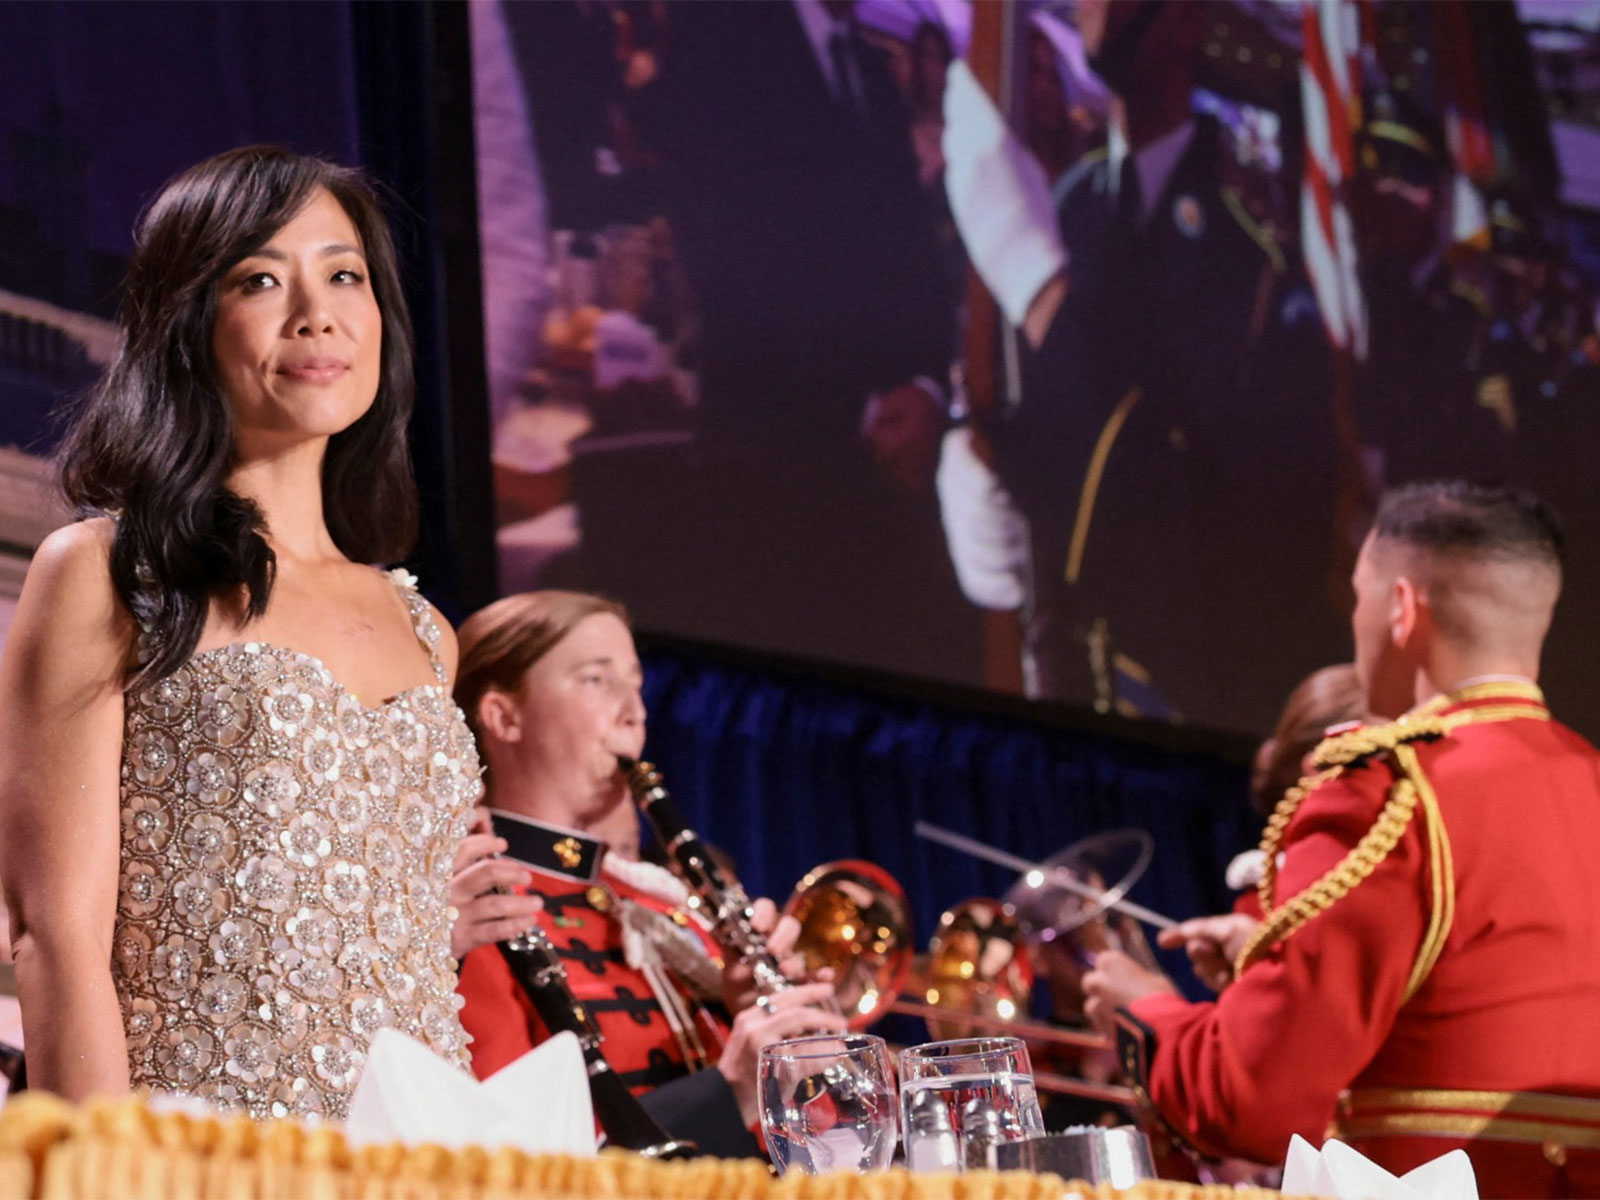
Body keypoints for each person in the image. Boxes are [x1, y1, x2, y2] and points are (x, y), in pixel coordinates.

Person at [0, 147, 481, 1118]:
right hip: (209, 1148)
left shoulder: (426, 628)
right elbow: (53, 931)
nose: (317, 313)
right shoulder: (106, 574)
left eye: (344, 275)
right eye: (263, 279)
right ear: (190, 323)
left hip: (427, 1148)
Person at [1083, 481, 1600, 1195]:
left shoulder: (1391, 789)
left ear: (1401, 609)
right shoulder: (1586, 778)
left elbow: (1251, 1099)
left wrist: (1143, 1008)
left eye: (1357, 596)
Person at [939, 0, 1341, 728]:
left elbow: (1224, 511)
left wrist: (1043, 296)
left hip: (1188, 704)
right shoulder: (1067, 202)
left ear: (1187, 18)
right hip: (1062, 680)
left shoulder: (1253, 246)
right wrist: (992, 467)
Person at [451, 590, 843, 1157]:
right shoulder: (476, 912)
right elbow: (515, 1159)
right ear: (504, 716)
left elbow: (809, 1141)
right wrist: (728, 1090)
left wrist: (781, 1038)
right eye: (596, 680)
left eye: (635, 684)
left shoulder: (665, 906)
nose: (634, 710)